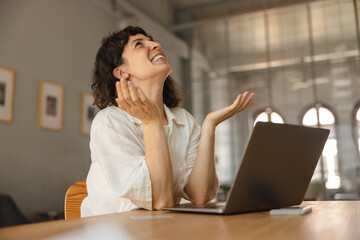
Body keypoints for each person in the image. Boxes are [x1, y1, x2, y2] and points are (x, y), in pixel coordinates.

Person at [81, 26, 255, 217]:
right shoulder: (109, 122)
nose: (156, 44)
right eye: (139, 44)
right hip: (113, 231)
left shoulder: (184, 121)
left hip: (160, 229)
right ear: (122, 72)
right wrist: (151, 122)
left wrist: (209, 126)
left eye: (152, 41)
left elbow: (200, 196)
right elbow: (161, 201)